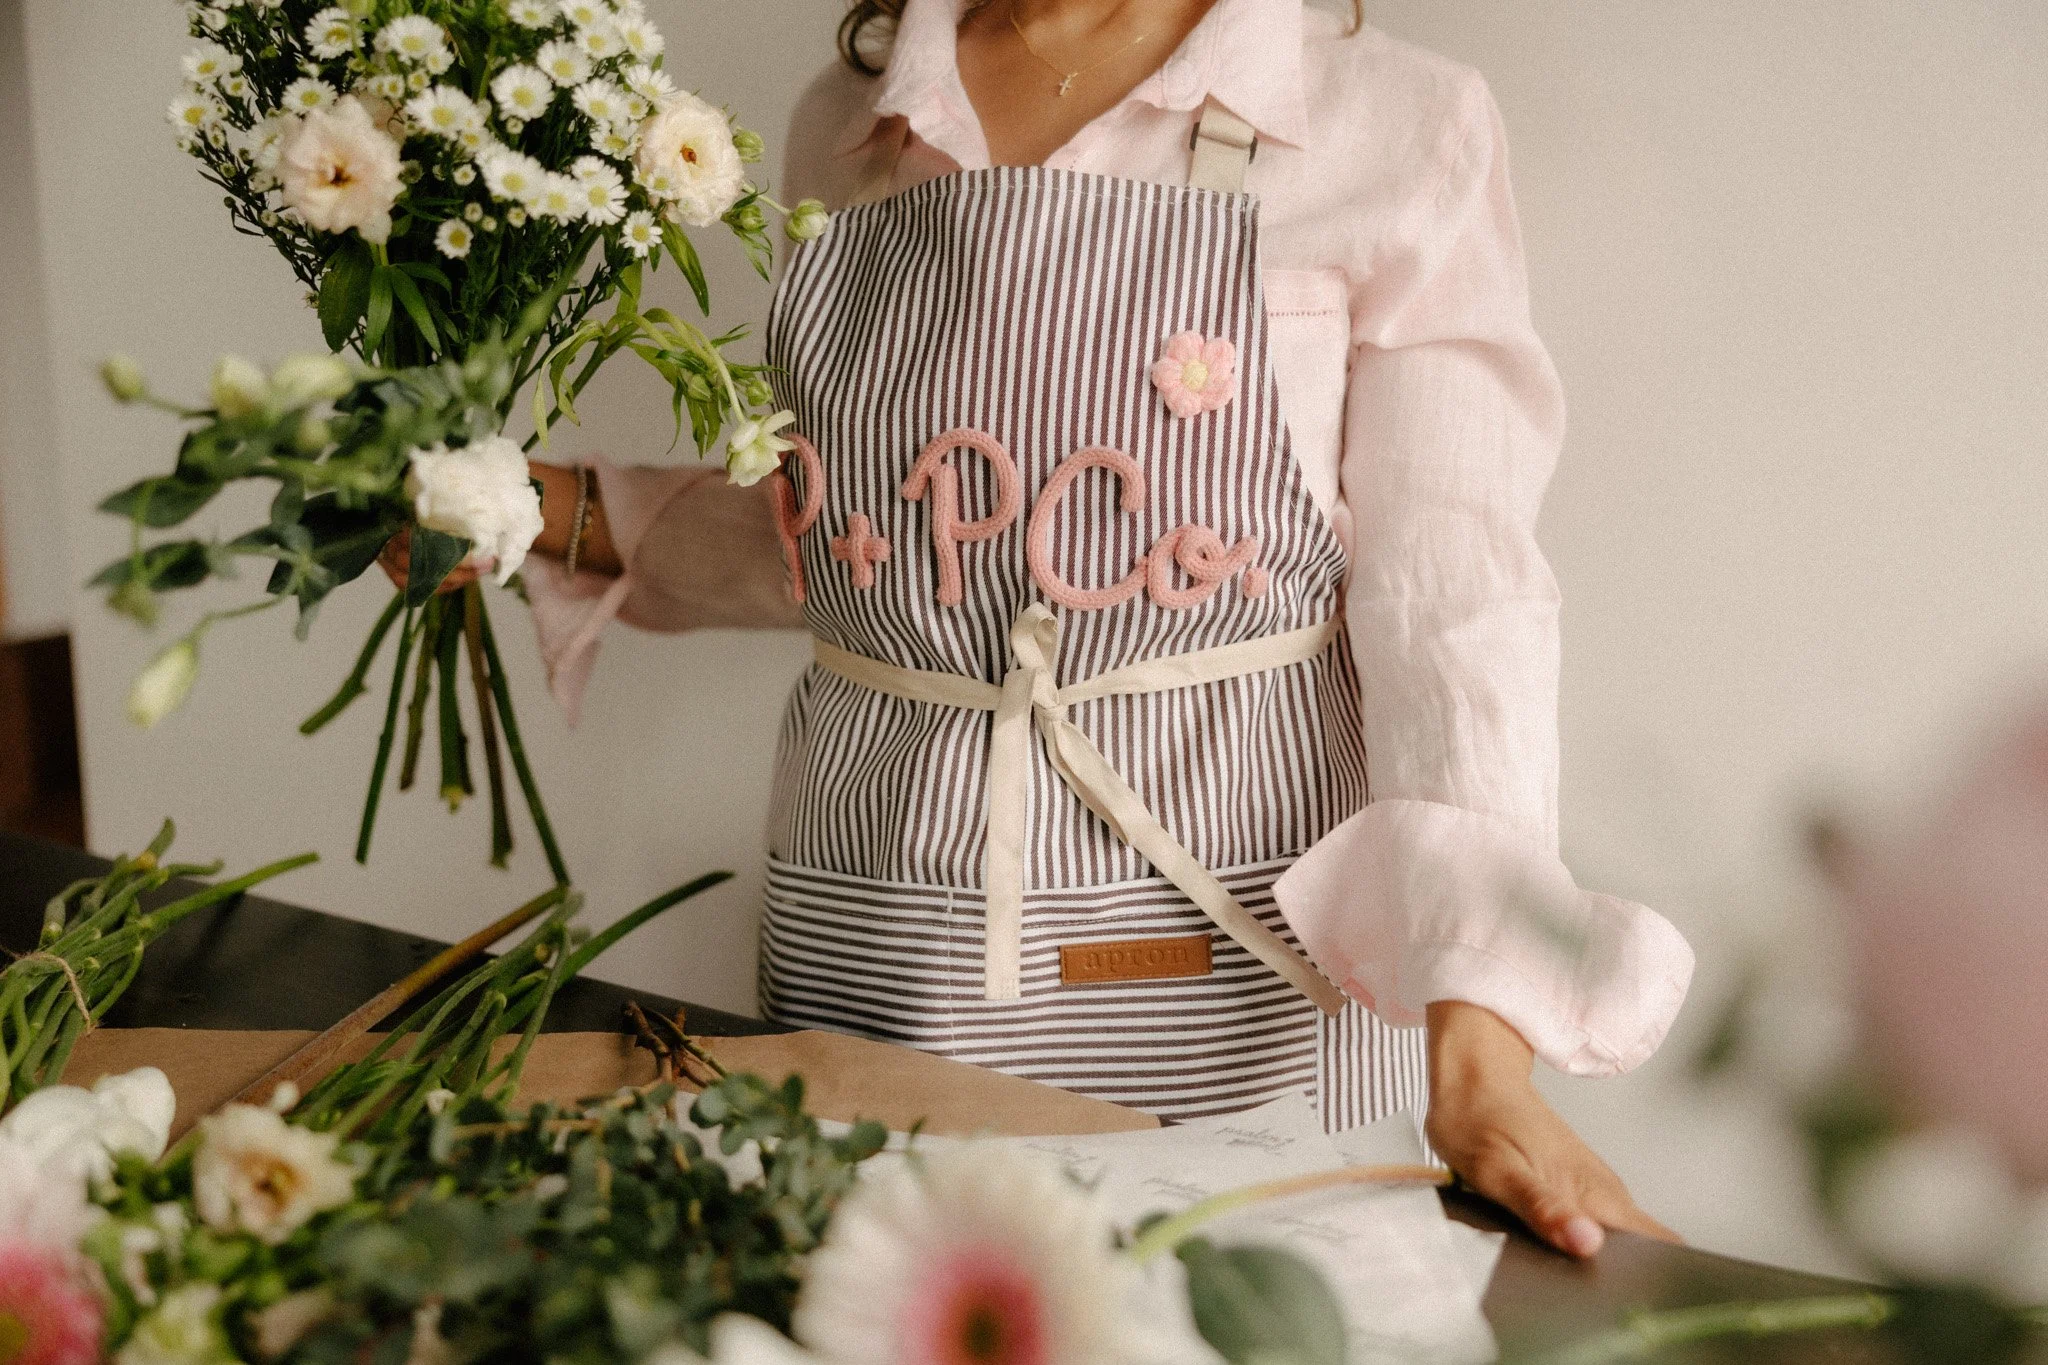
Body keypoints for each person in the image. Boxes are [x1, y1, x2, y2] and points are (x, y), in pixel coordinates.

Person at [385, 0, 1694, 1259]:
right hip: (884, 920)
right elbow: (874, 553)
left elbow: (1450, 592)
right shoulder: (848, 123)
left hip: (1236, 965)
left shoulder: (1393, 120)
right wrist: (525, 508)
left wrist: (1482, 1056)